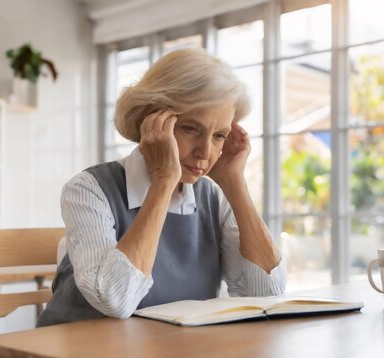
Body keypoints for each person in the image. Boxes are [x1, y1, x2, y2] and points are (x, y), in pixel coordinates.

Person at [37, 48, 286, 327]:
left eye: (219, 136)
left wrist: (234, 182)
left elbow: (267, 295)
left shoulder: (213, 197)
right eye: (191, 129)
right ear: (152, 122)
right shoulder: (88, 190)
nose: (205, 152)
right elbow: (115, 300)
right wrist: (163, 182)